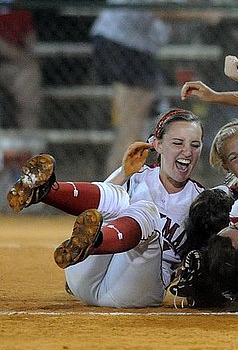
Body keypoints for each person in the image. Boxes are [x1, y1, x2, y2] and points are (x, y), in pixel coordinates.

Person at [6, 109, 205, 307]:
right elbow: (99, 209)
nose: (187, 151)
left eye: (195, 145)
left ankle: (95, 240)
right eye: (178, 143)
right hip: (86, 276)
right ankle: (45, 192)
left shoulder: (202, 200)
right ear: (158, 145)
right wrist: (123, 172)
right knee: (119, 199)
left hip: (133, 290)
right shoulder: (137, 176)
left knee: (145, 210)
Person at [90, 0, 219, 175]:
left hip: (123, 41)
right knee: (131, 129)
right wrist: (206, 15)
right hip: (126, 43)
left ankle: (112, 193)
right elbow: (162, 8)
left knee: (130, 126)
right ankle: (111, 198)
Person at [0, 0, 41, 129]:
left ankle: (30, 148)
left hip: (13, 62)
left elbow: (28, 29)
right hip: (14, 56)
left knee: (30, 75)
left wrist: (30, 54)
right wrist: (23, 58)